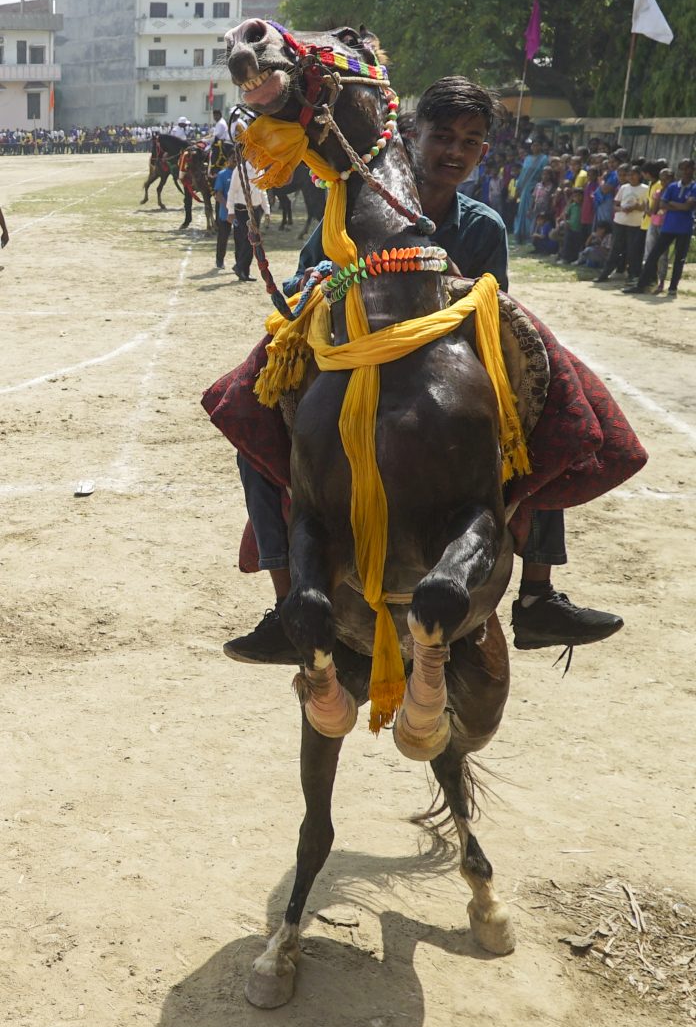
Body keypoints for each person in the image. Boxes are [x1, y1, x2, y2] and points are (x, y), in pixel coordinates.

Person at [225, 77, 623, 663]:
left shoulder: (483, 224)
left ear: (484, 152)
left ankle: (537, 596)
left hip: (443, 371)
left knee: (555, 407)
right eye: (442, 136)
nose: (454, 151)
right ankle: (286, 600)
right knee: (249, 418)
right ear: (410, 137)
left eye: (470, 141)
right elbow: (301, 279)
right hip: (356, 361)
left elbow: (488, 305)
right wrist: (311, 285)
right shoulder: (354, 206)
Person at [623, 158, 696, 297]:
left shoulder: (694, 187)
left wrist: (673, 204)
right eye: (683, 168)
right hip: (668, 227)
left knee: (679, 259)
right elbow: (662, 205)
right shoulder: (673, 186)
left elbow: (688, 207)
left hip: (684, 228)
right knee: (653, 255)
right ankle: (641, 285)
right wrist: (680, 206)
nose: (685, 171)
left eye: (688, 168)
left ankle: (672, 288)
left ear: (693, 169)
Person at [595, 165, 648, 283]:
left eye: (633, 174)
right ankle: (605, 273)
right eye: (629, 175)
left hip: (635, 223)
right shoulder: (624, 187)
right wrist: (621, 209)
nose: (631, 177)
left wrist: (635, 207)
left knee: (633, 250)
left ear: (639, 175)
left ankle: (632, 275)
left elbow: (646, 206)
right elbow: (615, 204)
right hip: (620, 221)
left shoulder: (645, 189)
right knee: (615, 249)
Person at [227, 158, 271, 282]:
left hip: (256, 210)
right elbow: (232, 191)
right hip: (242, 210)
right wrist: (230, 211)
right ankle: (239, 266)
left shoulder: (260, 170)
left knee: (251, 241)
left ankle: (244, 272)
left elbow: (263, 192)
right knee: (247, 240)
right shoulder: (240, 169)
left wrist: (267, 210)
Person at [643, 166, 674, 293]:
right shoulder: (659, 191)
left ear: (672, 179)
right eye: (661, 180)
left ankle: (661, 282)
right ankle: (650, 279)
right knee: (650, 251)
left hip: (667, 225)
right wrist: (657, 198)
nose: (663, 182)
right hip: (655, 222)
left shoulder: (674, 192)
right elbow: (654, 210)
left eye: (666, 179)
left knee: (663, 255)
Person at [513, 140, 549, 244]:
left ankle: (530, 235)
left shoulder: (544, 158)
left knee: (531, 212)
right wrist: (518, 187)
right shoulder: (527, 158)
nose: (534, 147)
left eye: (537, 145)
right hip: (524, 188)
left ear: (541, 146)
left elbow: (543, 173)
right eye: (533, 145)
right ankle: (520, 234)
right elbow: (522, 174)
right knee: (522, 211)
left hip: (535, 188)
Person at [213, 153, 235, 269]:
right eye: (232, 158)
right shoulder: (222, 174)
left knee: (241, 239)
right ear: (228, 160)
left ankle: (239, 263)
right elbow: (218, 194)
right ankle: (219, 260)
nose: (235, 161)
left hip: (239, 213)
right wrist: (228, 206)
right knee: (223, 237)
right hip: (225, 213)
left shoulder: (242, 174)